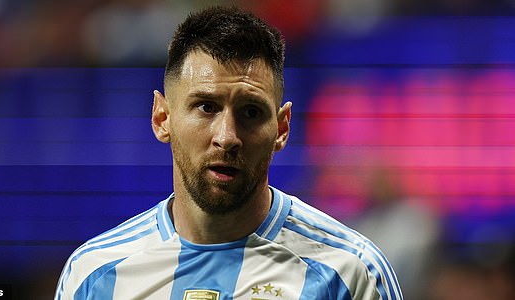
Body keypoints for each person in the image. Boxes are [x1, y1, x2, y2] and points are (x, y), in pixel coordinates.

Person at [55, 6, 402, 300]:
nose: (227, 137)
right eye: (206, 107)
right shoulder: (93, 276)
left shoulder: (351, 273)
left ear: (281, 128)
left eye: (251, 112)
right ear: (163, 118)